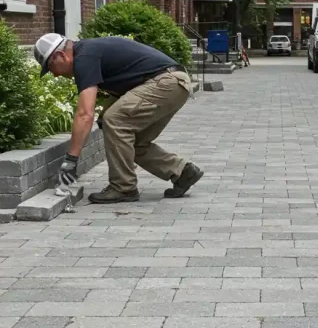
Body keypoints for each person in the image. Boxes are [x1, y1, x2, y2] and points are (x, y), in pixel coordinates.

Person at [33, 33, 203, 204]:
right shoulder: (88, 51)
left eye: (50, 67)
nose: (54, 75)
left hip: (165, 83)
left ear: (60, 55)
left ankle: (123, 187)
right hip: (173, 83)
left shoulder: (84, 58)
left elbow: (85, 114)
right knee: (131, 141)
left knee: (115, 121)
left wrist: (71, 161)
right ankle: (183, 172)